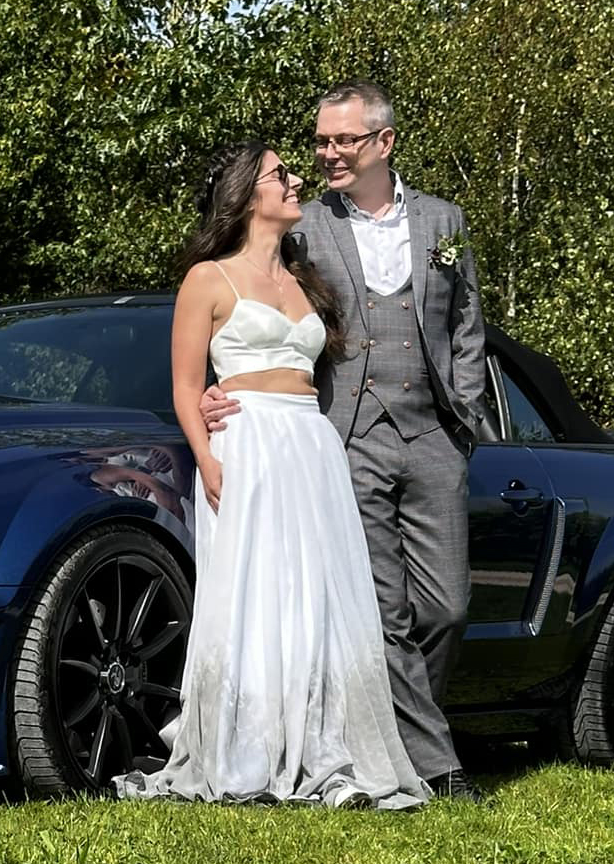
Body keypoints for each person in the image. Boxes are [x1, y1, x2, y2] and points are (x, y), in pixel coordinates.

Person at [112, 140, 429, 809]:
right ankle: (246, 747)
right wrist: (207, 456)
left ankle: (328, 748)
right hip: (245, 443)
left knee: (318, 597)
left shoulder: (306, 278)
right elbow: (183, 386)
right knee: (254, 594)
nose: (294, 183)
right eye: (280, 175)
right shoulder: (207, 279)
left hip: (311, 445)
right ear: (244, 195)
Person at [201, 81, 487, 800]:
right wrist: (218, 381)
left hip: (434, 436)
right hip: (343, 437)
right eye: (321, 141)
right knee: (380, 613)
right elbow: (247, 290)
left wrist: (467, 418)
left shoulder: (444, 224)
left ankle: (398, 735)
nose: (326, 153)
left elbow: (467, 329)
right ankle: (434, 765)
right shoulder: (304, 228)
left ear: (383, 143)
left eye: (342, 141)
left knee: (445, 606)